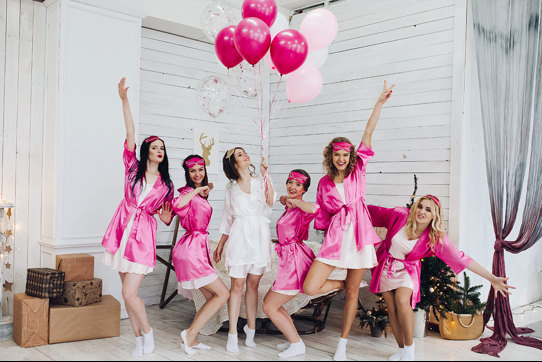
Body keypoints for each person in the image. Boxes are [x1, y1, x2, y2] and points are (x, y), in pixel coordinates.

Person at [303, 81, 394, 361]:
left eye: (345, 154)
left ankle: (342, 344)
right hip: (335, 238)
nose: (341, 158)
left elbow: (368, 132)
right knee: (309, 286)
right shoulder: (323, 183)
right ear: (330, 156)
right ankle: (345, 285)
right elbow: (320, 214)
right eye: (337, 154)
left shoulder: (358, 171)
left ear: (350, 156)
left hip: (358, 236)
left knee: (354, 292)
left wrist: (378, 103)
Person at [368, 196, 515, 361]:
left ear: (434, 216)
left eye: (428, 209)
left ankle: (409, 350)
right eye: (420, 207)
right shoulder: (400, 214)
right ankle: (401, 349)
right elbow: (372, 213)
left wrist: (492, 278)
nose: (422, 211)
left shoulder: (435, 238)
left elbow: (461, 258)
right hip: (386, 267)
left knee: (402, 301)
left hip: (407, 271)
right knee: (392, 309)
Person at [102, 77, 174, 357]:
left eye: (162, 148)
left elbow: (165, 216)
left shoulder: (166, 185)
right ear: (146, 151)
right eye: (155, 146)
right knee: (127, 296)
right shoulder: (132, 168)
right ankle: (138, 341)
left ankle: (149, 333)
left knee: (129, 294)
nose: (159, 150)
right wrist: (124, 100)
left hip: (142, 237)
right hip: (121, 231)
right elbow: (130, 133)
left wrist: (167, 218)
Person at [263, 169, 344, 358]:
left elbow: (316, 209)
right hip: (287, 261)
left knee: (269, 307)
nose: (292, 187)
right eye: (290, 182)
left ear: (304, 189)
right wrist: (287, 200)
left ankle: (296, 344)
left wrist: (296, 201)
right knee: (271, 305)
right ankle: (295, 341)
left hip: (293, 263)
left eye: (298, 184)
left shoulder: (303, 207)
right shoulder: (290, 207)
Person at [214, 147, 275, 353]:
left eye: (244, 152)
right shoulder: (230, 188)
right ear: (233, 163)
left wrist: (266, 174)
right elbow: (227, 218)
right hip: (240, 237)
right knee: (237, 285)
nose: (245, 155)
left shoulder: (260, 180)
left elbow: (270, 201)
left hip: (259, 236)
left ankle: (251, 330)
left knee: (253, 285)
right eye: (239, 154)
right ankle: (232, 332)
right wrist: (221, 243)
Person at [172, 155, 230, 355]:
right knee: (223, 294)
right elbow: (177, 206)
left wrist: (204, 190)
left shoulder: (200, 194)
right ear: (187, 174)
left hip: (197, 249)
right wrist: (197, 190)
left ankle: (192, 337)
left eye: (200, 170)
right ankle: (189, 334)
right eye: (192, 171)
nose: (197, 174)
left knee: (212, 296)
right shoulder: (188, 192)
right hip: (191, 251)